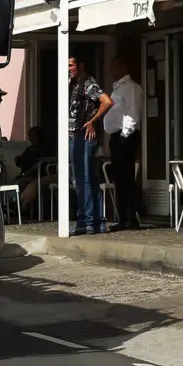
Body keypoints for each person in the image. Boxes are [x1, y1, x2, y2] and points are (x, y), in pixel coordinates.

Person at [69, 57, 114, 235]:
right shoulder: (72, 84)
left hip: (82, 136)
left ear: (80, 66)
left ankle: (87, 221)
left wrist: (92, 121)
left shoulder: (88, 83)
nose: (68, 69)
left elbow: (107, 101)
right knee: (86, 179)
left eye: (71, 65)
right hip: (75, 135)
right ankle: (94, 221)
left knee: (84, 179)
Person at [105, 56, 143, 231]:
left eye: (115, 67)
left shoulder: (131, 88)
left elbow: (133, 113)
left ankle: (131, 218)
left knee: (127, 177)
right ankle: (122, 217)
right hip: (116, 136)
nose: (112, 71)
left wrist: (125, 135)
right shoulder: (117, 89)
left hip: (125, 136)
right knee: (119, 178)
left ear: (124, 67)